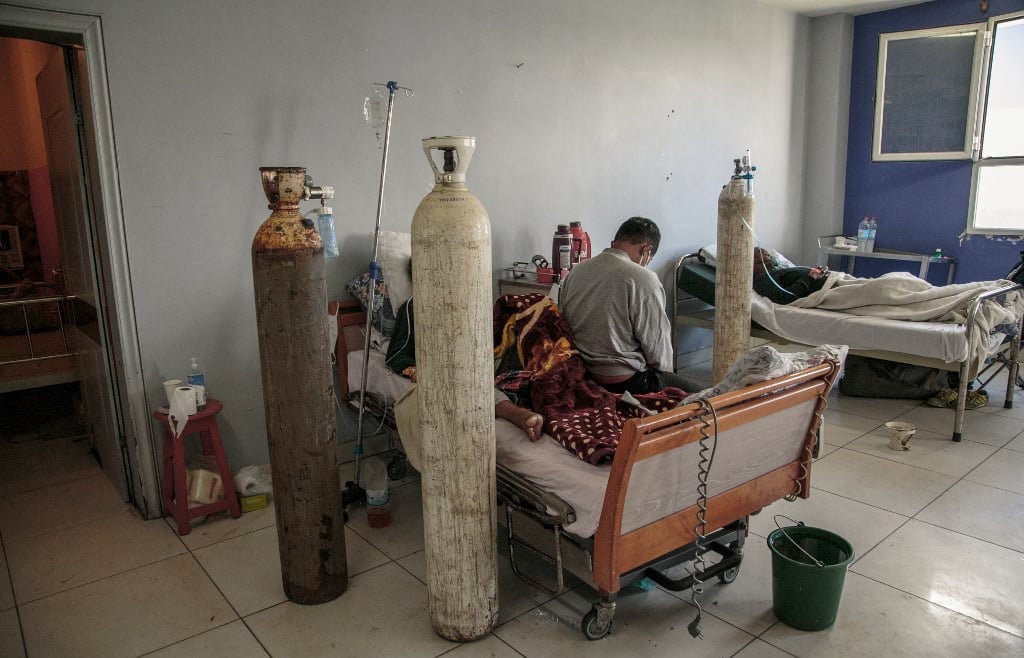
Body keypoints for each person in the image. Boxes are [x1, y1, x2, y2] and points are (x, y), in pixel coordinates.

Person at [385, 294, 546, 441]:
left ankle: (551, 399)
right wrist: (416, 370)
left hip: (487, 357)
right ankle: (518, 415)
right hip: (456, 369)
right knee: (468, 383)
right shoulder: (413, 306)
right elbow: (396, 354)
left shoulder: (470, 298)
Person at [558, 216, 689, 394]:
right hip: (626, 383)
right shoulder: (643, 278)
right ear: (646, 250)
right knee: (705, 396)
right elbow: (658, 353)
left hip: (582, 376)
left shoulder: (576, 272)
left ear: (614, 242)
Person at [751, 247, 830, 304]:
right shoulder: (761, 279)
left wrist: (821, 270)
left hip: (832, 279)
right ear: (751, 264)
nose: (770, 257)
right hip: (827, 289)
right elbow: (785, 297)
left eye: (768, 255)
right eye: (763, 254)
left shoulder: (777, 271)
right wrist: (811, 277)